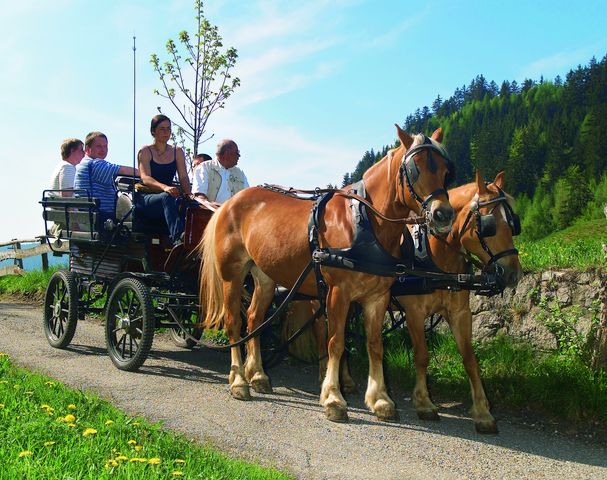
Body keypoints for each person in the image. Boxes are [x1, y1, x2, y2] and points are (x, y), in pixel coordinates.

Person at [134, 114, 191, 244]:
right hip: (147, 198)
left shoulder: (177, 151)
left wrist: (188, 194)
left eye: (169, 129)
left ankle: (193, 240)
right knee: (167, 197)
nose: (167, 132)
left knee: (189, 203)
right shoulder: (146, 151)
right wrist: (165, 187)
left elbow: (183, 177)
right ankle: (179, 239)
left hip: (168, 197)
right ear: (153, 131)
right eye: (162, 129)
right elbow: (145, 178)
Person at [74, 131, 138, 225]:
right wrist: (147, 175)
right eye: (99, 146)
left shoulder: (83, 164)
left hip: (90, 216)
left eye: (105, 146)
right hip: (101, 218)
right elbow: (127, 171)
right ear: (87, 148)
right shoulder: (94, 164)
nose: (103, 150)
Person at [192, 139, 249, 203]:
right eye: (237, 152)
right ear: (227, 153)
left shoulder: (240, 173)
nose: (239, 155)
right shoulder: (204, 167)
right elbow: (200, 196)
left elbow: (247, 199)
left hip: (236, 212)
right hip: (210, 212)